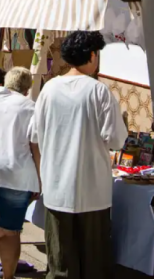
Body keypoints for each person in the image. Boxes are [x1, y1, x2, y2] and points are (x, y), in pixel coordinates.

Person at [34, 31, 127, 279]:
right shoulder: (99, 92)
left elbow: (35, 135)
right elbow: (117, 139)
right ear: (92, 56)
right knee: (93, 265)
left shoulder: (48, 91)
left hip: (56, 190)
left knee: (60, 265)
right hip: (93, 193)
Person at [0, 67, 40, 279]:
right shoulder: (30, 107)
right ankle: (8, 276)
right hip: (17, 175)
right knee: (10, 231)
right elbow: (35, 148)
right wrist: (40, 182)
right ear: (26, 89)